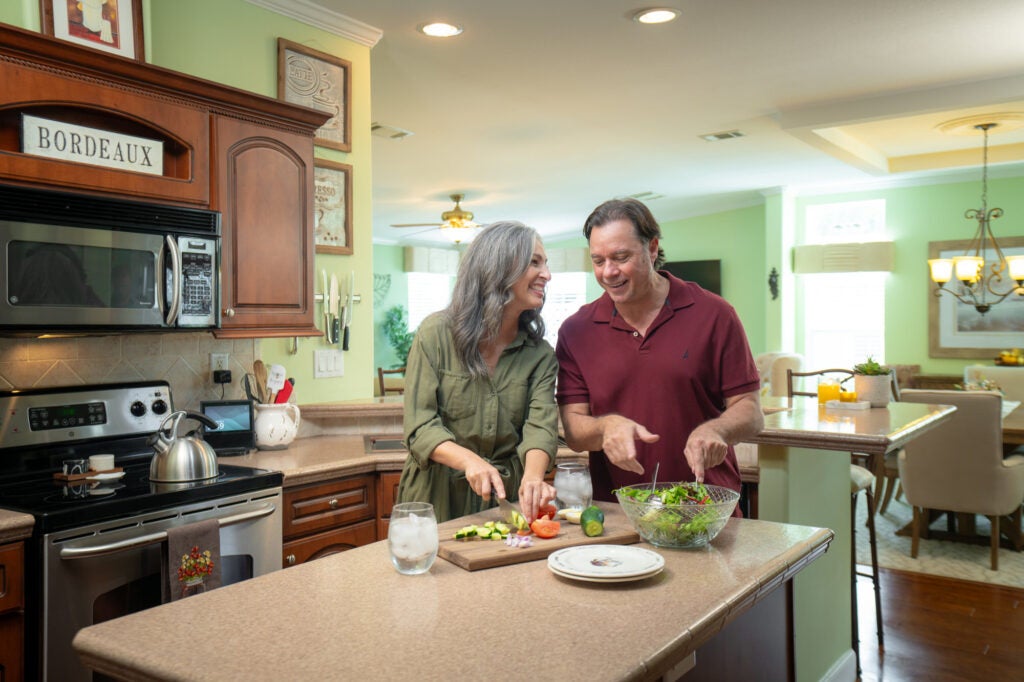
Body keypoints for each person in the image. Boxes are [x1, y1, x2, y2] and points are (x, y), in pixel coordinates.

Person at [555, 199, 763, 507]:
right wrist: (604, 426)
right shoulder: (576, 330)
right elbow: (574, 429)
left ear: (652, 248)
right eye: (598, 261)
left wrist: (717, 428)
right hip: (616, 513)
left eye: (620, 257)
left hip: (706, 507)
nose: (608, 272)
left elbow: (750, 411)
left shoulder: (715, 314)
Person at [397, 221, 559, 524]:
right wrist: (469, 461)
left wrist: (534, 478)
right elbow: (420, 426)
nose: (547, 275)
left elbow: (541, 427)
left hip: (504, 499)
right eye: (534, 262)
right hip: (435, 499)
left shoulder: (540, 355)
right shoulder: (435, 334)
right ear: (500, 269)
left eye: (545, 263)